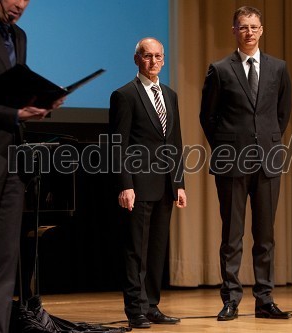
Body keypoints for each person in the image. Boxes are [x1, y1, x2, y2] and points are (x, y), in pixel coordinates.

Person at [0, 1, 65, 332]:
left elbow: (12, 91)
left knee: (5, 259)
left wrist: (40, 102)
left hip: (14, 158)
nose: (21, 5)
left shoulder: (20, 36)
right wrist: (13, 114)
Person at [200, 6, 292, 321]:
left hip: (268, 162)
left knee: (265, 236)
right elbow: (207, 116)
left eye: (254, 26)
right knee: (232, 235)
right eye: (243, 27)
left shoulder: (278, 68)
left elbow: (282, 114)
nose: (249, 32)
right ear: (234, 31)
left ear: (262, 30)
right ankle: (231, 300)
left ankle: (265, 300)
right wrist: (226, 148)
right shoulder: (220, 69)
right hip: (231, 164)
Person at [109, 37, 187, 329]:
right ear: (136, 59)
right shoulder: (125, 95)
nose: (153, 62)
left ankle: (152, 305)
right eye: (147, 56)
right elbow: (119, 145)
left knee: (156, 250)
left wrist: (179, 183)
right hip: (138, 186)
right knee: (136, 251)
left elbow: (175, 142)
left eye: (158, 56)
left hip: (165, 185)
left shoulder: (170, 95)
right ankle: (135, 309)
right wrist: (125, 184)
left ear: (164, 60)